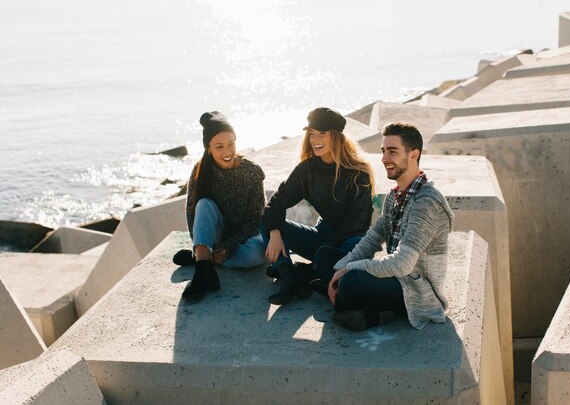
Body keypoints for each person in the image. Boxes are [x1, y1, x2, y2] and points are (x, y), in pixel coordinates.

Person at [321, 121, 455, 332]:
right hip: (394, 276)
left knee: (351, 280)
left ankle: (370, 312)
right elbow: (372, 240)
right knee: (326, 258)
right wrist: (340, 268)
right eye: (383, 151)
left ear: (413, 155)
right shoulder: (394, 196)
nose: (384, 158)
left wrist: (349, 270)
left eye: (392, 151)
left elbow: (402, 264)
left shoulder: (427, 202)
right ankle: (342, 295)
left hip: (414, 288)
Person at [262, 107, 375, 305]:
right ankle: (287, 273)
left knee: (356, 246)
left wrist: (327, 246)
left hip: (350, 241)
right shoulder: (307, 169)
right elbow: (277, 202)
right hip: (321, 238)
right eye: (312, 134)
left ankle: (312, 272)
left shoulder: (358, 172)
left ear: (337, 136)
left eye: (322, 134)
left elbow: (359, 222)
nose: (315, 140)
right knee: (268, 221)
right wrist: (275, 233)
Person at [175, 111, 266, 302]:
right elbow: (194, 215)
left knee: (257, 253)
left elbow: (256, 222)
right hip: (215, 233)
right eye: (219, 146)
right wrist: (204, 242)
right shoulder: (201, 171)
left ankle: (204, 260)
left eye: (231, 144)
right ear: (208, 149)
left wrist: (228, 247)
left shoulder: (252, 172)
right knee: (204, 204)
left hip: (243, 238)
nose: (227, 151)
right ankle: (202, 271)